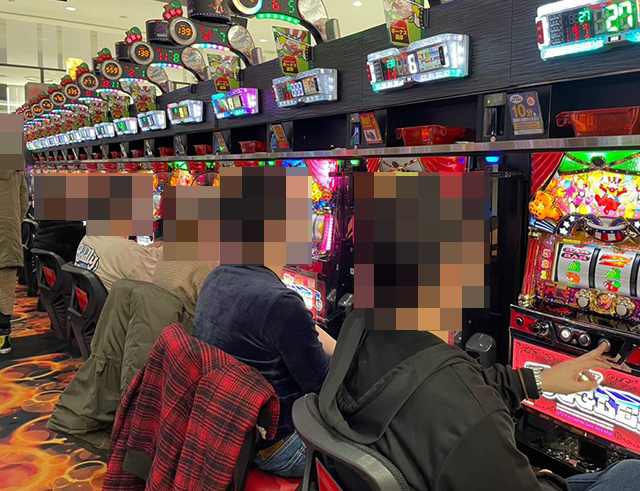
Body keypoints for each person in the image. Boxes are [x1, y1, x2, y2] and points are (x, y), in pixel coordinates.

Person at [319, 311, 640, 491]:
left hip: (416, 470)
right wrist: (541, 477)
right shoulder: (472, 417)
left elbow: (452, 383)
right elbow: (464, 404)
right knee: (631, 473)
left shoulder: (361, 328)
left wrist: (539, 380)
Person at [193, 263, 336, 478]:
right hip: (277, 447)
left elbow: (291, 326)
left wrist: (340, 347)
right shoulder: (282, 304)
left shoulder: (218, 275)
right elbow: (324, 388)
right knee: (369, 438)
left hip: (224, 429)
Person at [0, 168, 28, 354]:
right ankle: (3, 338)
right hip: (8, 235)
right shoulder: (15, 168)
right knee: (5, 289)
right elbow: (24, 203)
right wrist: (12, 225)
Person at [75, 235, 158, 291]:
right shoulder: (127, 250)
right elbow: (159, 284)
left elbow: (128, 253)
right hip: (124, 309)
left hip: (94, 307)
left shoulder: (88, 237)